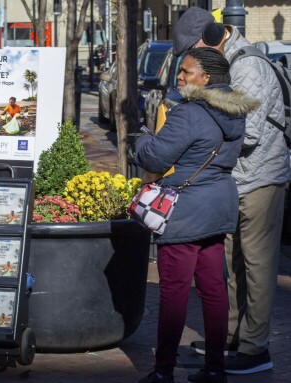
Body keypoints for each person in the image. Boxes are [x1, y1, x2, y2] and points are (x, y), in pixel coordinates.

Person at [173, 7, 291, 375]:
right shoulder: (223, 66)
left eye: (193, 50)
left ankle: (255, 349)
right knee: (231, 261)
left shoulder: (248, 67)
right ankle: (230, 336)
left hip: (261, 178)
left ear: (211, 37)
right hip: (234, 179)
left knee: (256, 263)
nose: (190, 60)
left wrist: (199, 113)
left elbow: (248, 132)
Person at [134, 48, 259, 383]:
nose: (179, 76)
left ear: (206, 78)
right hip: (218, 205)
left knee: (174, 291)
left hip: (185, 210)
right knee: (214, 289)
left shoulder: (189, 113)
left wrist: (142, 140)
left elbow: (156, 159)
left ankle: (163, 371)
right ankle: (216, 368)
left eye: (186, 72)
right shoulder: (234, 113)